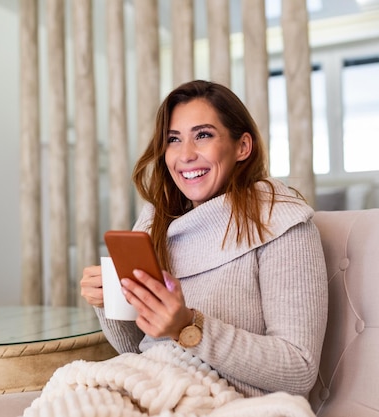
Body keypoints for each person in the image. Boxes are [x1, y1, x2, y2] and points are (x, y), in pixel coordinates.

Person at [80, 79, 328, 399]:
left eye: (203, 135)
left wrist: (189, 326)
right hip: (154, 387)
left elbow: (299, 370)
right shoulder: (156, 222)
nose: (185, 154)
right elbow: (139, 349)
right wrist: (109, 300)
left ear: (242, 146)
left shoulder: (281, 223)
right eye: (173, 139)